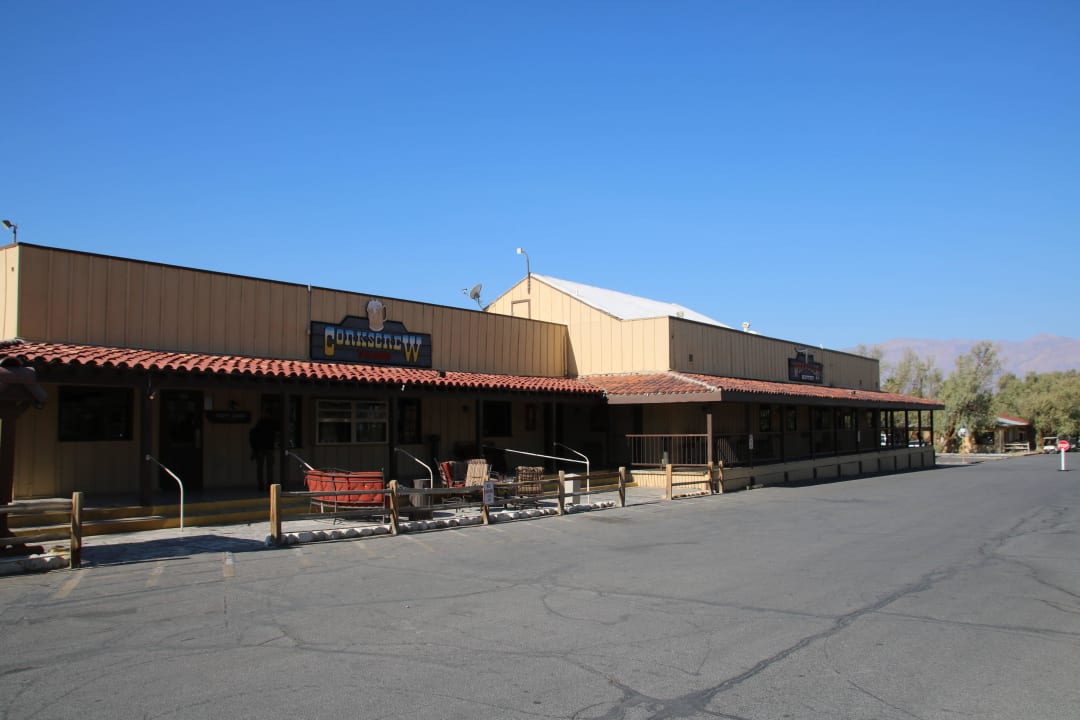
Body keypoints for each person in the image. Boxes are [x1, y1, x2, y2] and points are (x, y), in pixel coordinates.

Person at [249, 410, 277, 492]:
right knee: (269, 468)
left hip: (260, 449)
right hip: (268, 448)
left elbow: (253, 435)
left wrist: (254, 448)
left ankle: (261, 485)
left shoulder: (259, 424)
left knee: (260, 468)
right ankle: (269, 486)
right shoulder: (272, 424)